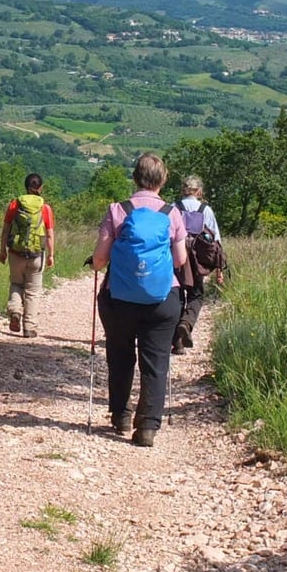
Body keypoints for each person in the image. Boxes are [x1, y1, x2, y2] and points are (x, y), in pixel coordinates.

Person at [89, 153, 189, 447]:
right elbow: (180, 260)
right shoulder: (171, 213)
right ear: (163, 180)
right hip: (163, 298)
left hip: (119, 297)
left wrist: (97, 264)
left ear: (135, 178)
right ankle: (147, 427)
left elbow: (100, 259)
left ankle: (121, 415)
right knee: (155, 361)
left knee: (120, 355)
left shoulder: (118, 210)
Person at [0, 172, 55, 338]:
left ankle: (15, 311)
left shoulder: (15, 204)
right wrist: (51, 255)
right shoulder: (45, 208)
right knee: (32, 291)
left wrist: (2, 250)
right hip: (36, 255)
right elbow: (49, 234)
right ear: (41, 188)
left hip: (15, 253)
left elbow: (6, 230)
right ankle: (29, 327)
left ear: (25, 187)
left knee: (16, 284)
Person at [174, 174, 224, 353]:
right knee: (196, 294)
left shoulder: (174, 208)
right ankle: (186, 323)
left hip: (176, 256)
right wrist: (219, 269)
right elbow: (216, 240)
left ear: (184, 189)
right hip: (197, 259)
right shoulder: (206, 210)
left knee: (177, 295)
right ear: (199, 191)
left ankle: (177, 343)